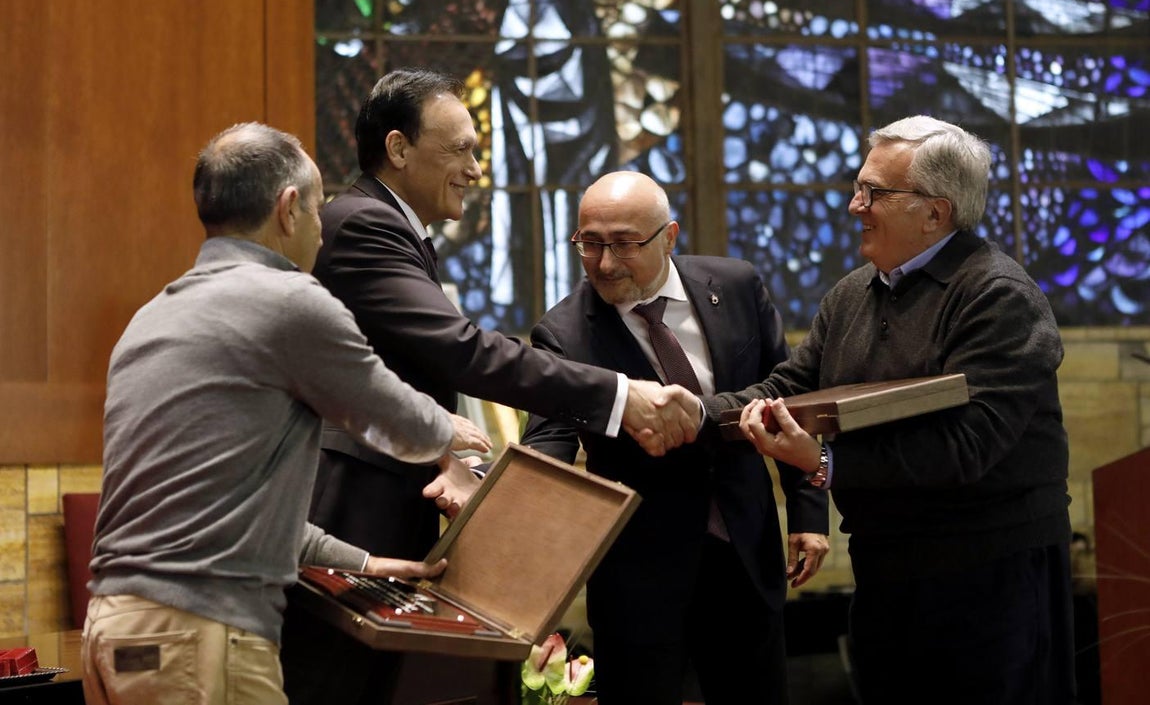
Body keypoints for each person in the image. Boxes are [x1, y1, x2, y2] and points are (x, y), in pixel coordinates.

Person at [281, 68, 699, 703]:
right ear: (397, 148)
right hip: (352, 509)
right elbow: (460, 350)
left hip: (385, 505)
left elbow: (389, 372)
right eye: (461, 149)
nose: (476, 169)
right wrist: (619, 395)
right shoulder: (365, 223)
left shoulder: (392, 228)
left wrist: (446, 449)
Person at [81, 122, 491, 705]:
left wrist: (367, 562)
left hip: (113, 630)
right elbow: (395, 420)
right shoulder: (289, 301)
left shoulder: (151, 316)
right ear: (289, 207)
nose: (324, 230)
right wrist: (452, 434)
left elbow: (219, 515)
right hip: (202, 636)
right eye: (321, 209)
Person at [711, 116, 1075, 705]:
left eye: (875, 193)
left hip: (992, 580)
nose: (856, 206)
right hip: (888, 572)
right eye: (858, 188)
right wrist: (689, 413)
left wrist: (826, 461)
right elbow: (786, 389)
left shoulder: (998, 295)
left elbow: (968, 447)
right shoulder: (854, 292)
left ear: (937, 211)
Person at [519, 171, 831, 705]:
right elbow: (546, 444)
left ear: (669, 235)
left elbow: (789, 402)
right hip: (640, 576)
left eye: (624, 244)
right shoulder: (564, 333)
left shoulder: (735, 287)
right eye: (589, 244)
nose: (606, 263)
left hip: (745, 553)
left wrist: (807, 513)